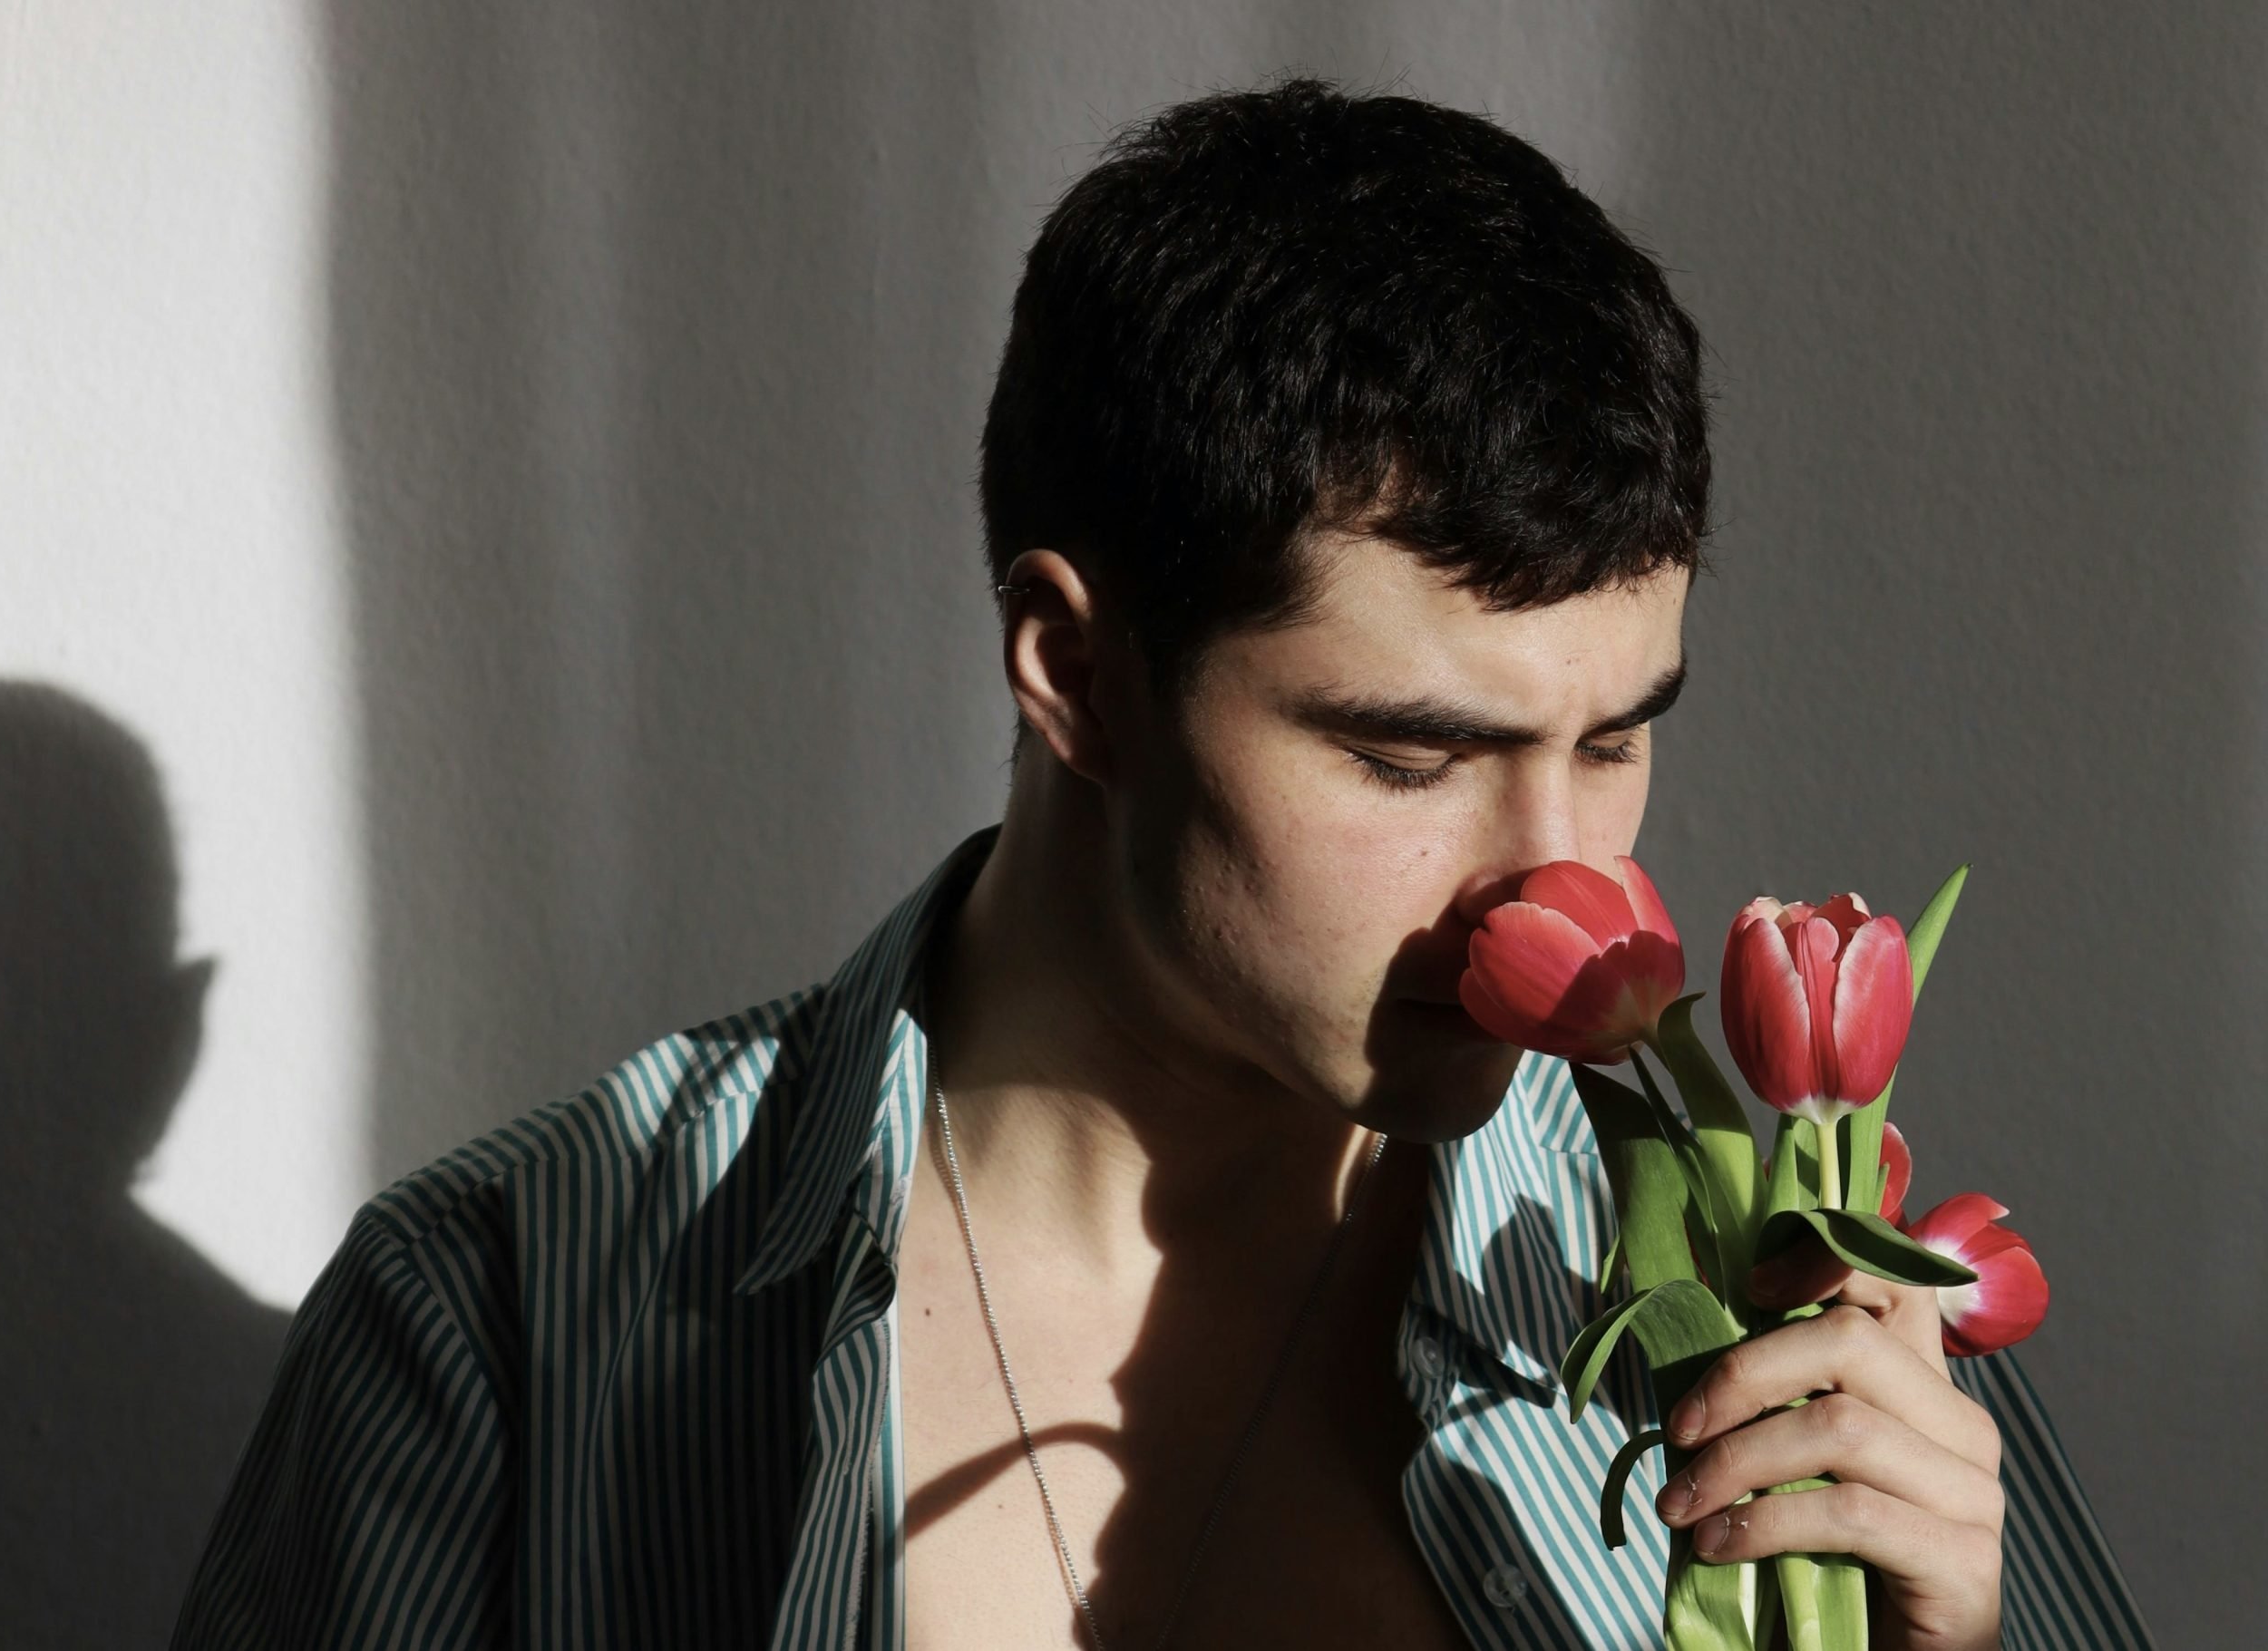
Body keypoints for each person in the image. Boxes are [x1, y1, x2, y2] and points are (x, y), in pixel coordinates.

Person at [171, 75, 2151, 1651]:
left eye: (1614, 736)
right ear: (1077, 675)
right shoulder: (513, 1310)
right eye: (1409, 750)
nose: (1560, 882)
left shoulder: (1789, 1285)